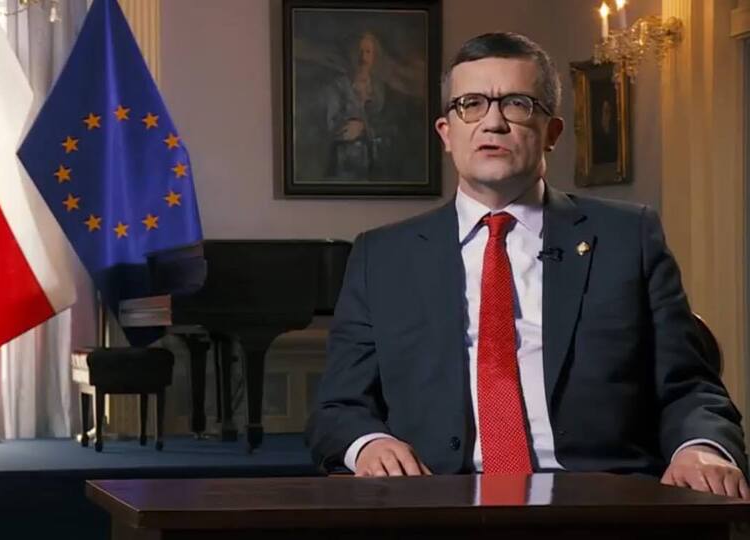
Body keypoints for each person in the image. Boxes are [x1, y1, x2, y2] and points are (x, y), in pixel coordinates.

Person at [306, 32, 749, 499]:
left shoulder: (627, 237)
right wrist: (369, 444)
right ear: (446, 133)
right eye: (471, 104)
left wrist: (700, 449)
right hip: (437, 497)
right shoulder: (382, 256)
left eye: (516, 104)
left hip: (602, 500)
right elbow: (338, 408)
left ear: (552, 132)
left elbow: (689, 387)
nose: (493, 123)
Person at [324, 31, 397, 180]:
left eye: (368, 52)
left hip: (376, 163)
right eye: (358, 51)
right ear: (350, 54)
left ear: (374, 56)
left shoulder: (380, 89)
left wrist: (364, 128)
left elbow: (390, 126)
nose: (363, 58)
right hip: (345, 163)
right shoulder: (337, 87)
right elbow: (331, 126)